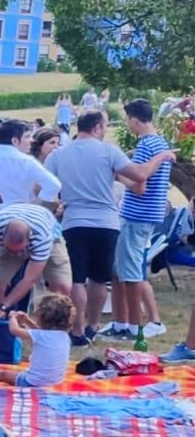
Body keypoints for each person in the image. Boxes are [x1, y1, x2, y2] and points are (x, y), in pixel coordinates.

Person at [48, 109, 173, 341]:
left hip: (74, 221)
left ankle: (76, 330)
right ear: (96, 128)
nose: (106, 130)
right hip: (106, 223)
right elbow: (139, 174)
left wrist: (59, 200)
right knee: (98, 278)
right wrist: (161, 156)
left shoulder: (59, 154)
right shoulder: (108, 151)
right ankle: (93, 325)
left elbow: (42, 187)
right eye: (105, 126)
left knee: (77, 279)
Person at [110, 98, 174, 338]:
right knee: (122, 269)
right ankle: (121, 322)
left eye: (127, 120)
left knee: (130, 272)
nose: (127, 125)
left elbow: (139, 186)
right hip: (148, 214)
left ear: (135, 120)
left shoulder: (145, 147)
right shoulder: (161, 143)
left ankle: (136, 326)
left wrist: (117, 176)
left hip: (136, 215)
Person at [0, 203, 70, 331]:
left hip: (51, 237)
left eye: (19, 250)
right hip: (11, 235)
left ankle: (53, 334)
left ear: (29, 240)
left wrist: (3, 306)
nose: (16, 255)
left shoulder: (42, 236)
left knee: (62, 287)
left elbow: (29, 279)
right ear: (2, 235)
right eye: (10, 249)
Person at [0, 293, 75, 387]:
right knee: (15, 373)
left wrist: (12, 318)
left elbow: (14, 330)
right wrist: (27, 320)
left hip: (32, 383)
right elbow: (42, 333)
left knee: (3, 375)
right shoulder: (65, 337)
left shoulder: (42, 335)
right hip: (55, 381)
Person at [0, 120, 61, 221]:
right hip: (19, 221)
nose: (32, 140)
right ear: (15, 141)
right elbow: (54, 185)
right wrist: (36, 208)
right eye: (27, 136)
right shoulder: (26, 161)